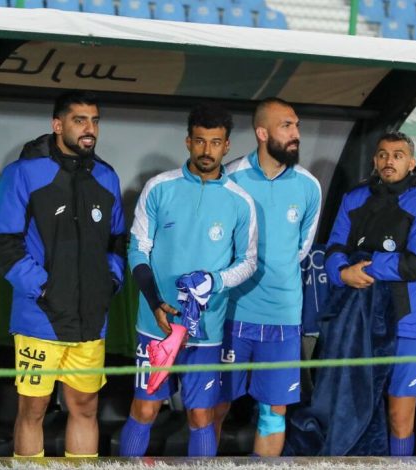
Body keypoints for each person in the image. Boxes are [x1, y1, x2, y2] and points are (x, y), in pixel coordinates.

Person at [0, 90, 126, 458]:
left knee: (85, 408)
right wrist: (45, 289)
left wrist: (109, 282)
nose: (89, 129)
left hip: (90, 320)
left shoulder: (107, 176)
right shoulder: (23, 173)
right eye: (80, 120)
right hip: (40, 318)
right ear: (57, 125)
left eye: (94, 121)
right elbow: (4, 243)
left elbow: (117, 241)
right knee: (33, 411)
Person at [119, 103, 257, 457]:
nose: (207, 150)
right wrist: (155, 303)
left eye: (215, 142)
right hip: (156, 325)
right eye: (200, 141)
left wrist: (215, 281)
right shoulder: (159, 187)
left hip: (206, 330)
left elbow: (248, 262)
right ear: (188, 142)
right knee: (145, 409)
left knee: (201, 416)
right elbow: (138, 250)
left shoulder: (240, 202)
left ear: (227, 146)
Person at [323, 131, 416, 456]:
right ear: (375, 160)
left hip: (407, 322)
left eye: (398, 155)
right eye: (382, 154)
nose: (389, 161)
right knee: (350, 413)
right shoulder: (354, 198)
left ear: (411, 162)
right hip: (356, 323)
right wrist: (342, 272)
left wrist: (367, 265)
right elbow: (334, 248)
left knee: (399, 416)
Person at [213, 97, 322, 456]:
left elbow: (301, 249)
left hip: (283, 318)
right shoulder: (230, 178)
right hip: (232, 315)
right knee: (213, 407)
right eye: (286, 126)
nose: (296, 134)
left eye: (297, 126)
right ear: (262, 133)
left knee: (274, 415)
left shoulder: (309, 185)